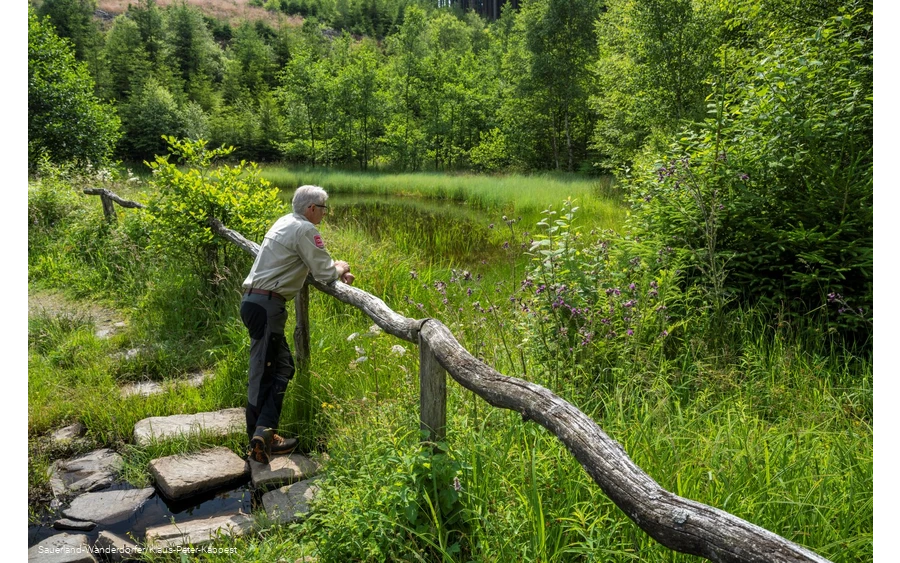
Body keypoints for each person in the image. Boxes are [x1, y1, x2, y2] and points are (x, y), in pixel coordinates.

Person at [240, 185, 355, 464]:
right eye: (324, 208)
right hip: (267, 306)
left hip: (256, 302)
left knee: (280, 367)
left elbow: (297, 264)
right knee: (263, 373)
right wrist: (341, 267)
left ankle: (264, 434)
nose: (325, 214)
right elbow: (325, 272)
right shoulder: (305, 229)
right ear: (311, 208)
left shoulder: (284, 221)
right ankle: (258, 438)